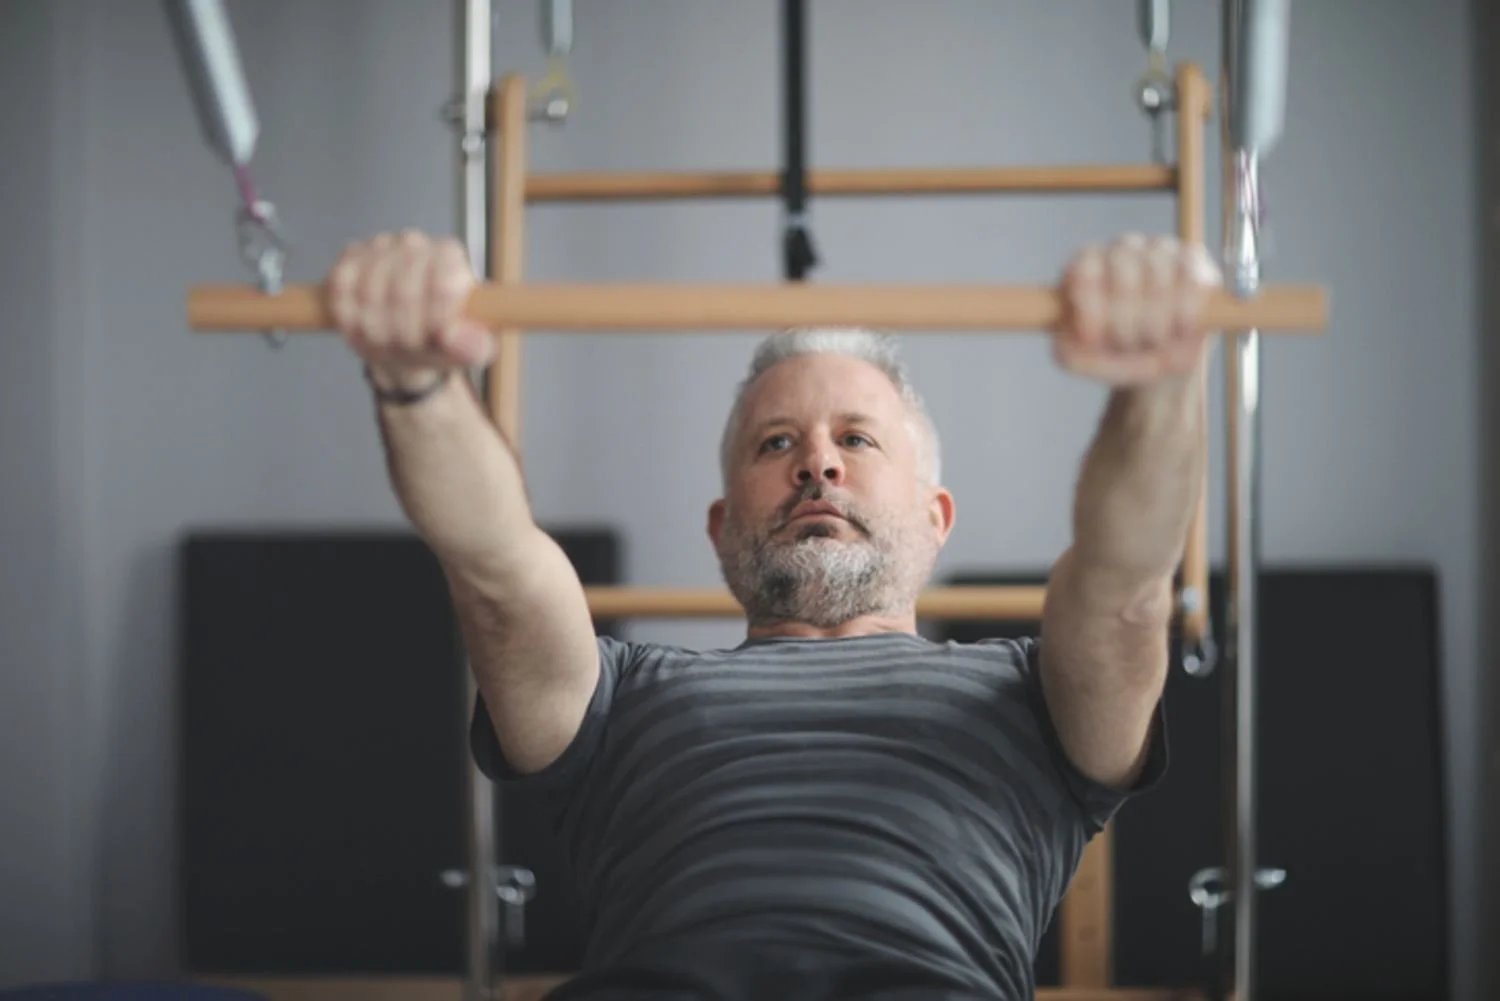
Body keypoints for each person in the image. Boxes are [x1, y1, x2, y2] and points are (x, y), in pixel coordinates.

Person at [326, 229, 1219, 1001]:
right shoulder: (620, 696)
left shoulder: (1033, 693)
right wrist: (415, 384)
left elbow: (1124, 587)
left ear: (935, 518)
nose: (817, 466)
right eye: (777, 442)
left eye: (857, 438)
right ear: (722, 530)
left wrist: (1159, 383)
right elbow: (497, 568)